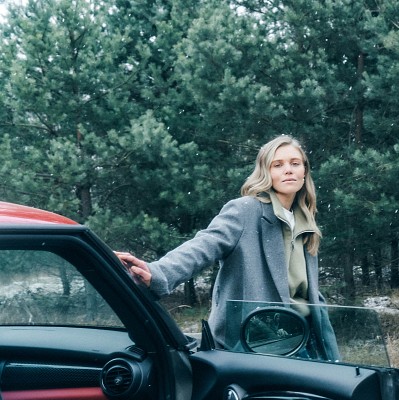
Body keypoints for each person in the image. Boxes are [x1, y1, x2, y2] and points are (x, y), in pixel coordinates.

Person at [116, 135, 337, 358]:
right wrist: (157, 272)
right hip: (257, 342)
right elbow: (203, 246)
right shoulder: (245, 211)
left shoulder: (306, 220)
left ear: (304, 171)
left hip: (305, 339)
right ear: (266, 172)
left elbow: (305, 292)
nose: (288, 170)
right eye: (277, 165)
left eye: (295, 163)